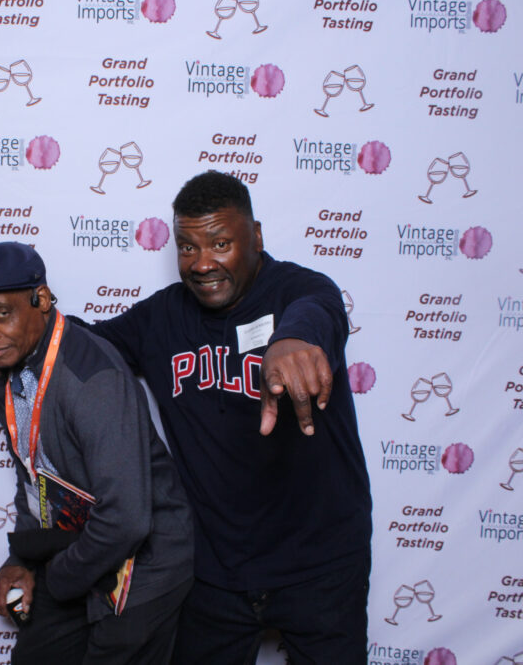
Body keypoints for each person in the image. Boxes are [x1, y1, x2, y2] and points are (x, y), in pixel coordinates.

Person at [84, 171, 372, 665]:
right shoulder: (162, 317)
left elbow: (317, 312)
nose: (202, 263)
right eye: (187, 247)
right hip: (214, 573)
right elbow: (87, 348)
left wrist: (292, 341)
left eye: (220, 243)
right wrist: (27, 341)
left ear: (255, 236)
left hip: (321, 566)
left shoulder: (301, 291)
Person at [0, 241, 193, 665]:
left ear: (41, 300)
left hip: (143, 567)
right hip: (81, 551)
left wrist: (57, 579)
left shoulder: (93, 380)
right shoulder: (5, 374)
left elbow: (127, 520)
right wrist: (23, 558)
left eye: (1, 314)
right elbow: (33, 477)